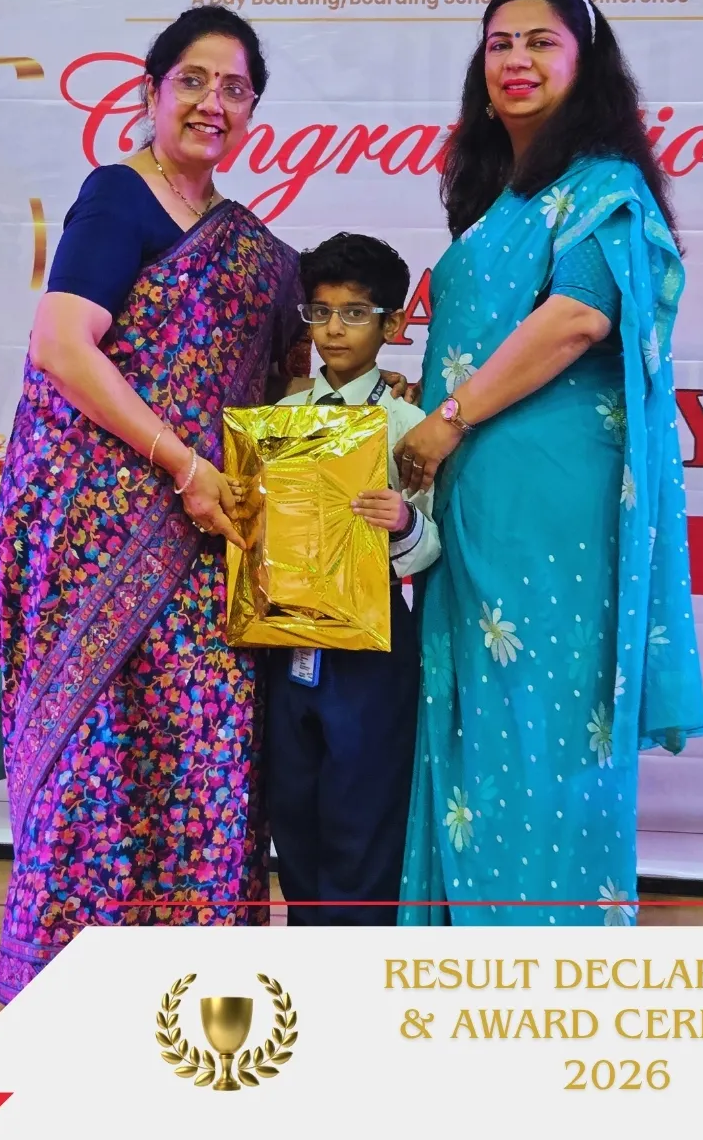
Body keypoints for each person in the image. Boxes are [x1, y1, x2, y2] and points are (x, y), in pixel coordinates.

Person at [0, 6, 314, 1004]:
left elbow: (278, 389)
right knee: (98, 757)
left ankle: (189, 983)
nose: (214, 102)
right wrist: (182, 464)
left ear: (253, 109)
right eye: (193, 81)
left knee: (200, 754)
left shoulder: (253, 249)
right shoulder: (117, 197)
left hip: (208, 544)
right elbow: (62, 343)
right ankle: (72, 988)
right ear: (151, 92)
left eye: (236, 88)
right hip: (98, 535)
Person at [393, 0, 703, 927]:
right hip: (479, 506)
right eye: (500, 44)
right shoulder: (500, 200)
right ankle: (459, 967)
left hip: (553, 514)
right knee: (475, 731)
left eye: (541, 42)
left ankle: (545, 964)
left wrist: (447, 418)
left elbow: (578, 318)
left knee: (548, 733)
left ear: (585, 63)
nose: (517, 60)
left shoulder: (604, 186)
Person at [268, 233, 440, 924]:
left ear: (392, 324)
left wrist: (402, 522)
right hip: (287, 635)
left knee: (362, 804)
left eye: (354, 313)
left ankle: (358, 954)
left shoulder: (408, 425)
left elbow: (431, 546)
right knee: (292, 802)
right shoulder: (278, 420)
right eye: (320, 312)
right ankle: (308, 946)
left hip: (373, 640)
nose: (334, 329)